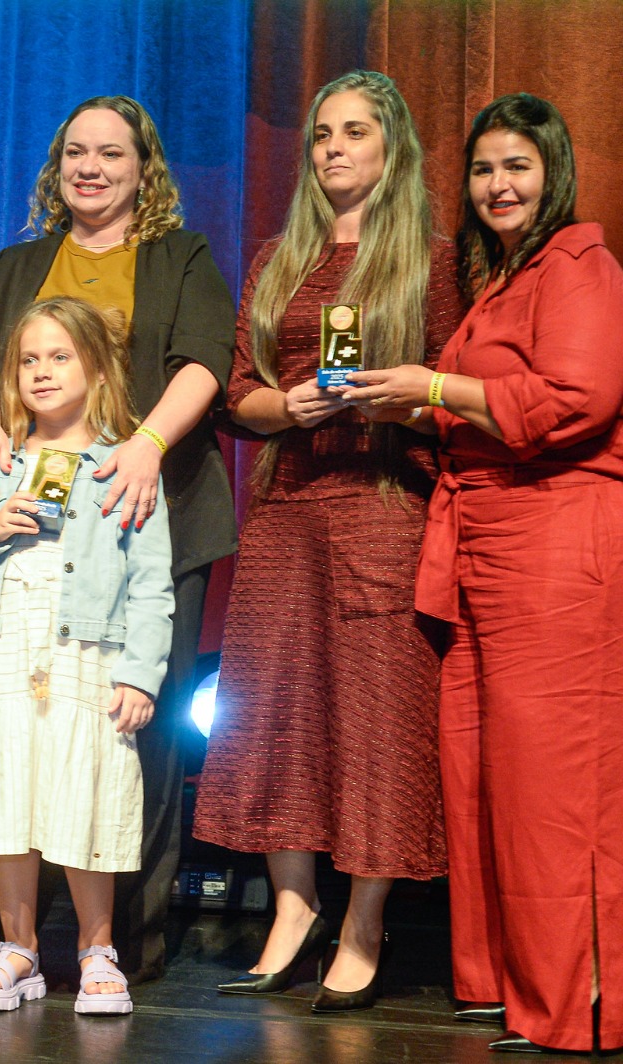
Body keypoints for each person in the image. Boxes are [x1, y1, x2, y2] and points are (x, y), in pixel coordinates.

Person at [343, 93, 623, 1055]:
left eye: (518, 167)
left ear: (555, 174)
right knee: (481, 775)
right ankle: (504, 984)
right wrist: (410, 404)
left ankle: (578, 1006)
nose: (499, 185)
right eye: (483, 169)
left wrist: (432, 385)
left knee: (554, 786)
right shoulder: (502, 279)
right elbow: (487, 400)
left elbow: (579, 397)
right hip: (483, 544)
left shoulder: (580, 265)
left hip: (557, 541)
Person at [0, 95, 236, 985]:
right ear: (56, 164)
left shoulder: (179, 255)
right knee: (15, 738)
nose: (91, 167)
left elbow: (206, 361)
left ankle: (118, 946)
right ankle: (4, 942)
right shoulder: (21, 262)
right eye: (76, 151)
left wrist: (146, 445)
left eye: (112, 153)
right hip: (30, 535)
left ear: (144, 168)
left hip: (147, 510)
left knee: (127, 734)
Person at [190, 70, 464, 1012]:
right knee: (275, 711)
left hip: (384, 501)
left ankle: (364, 922)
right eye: (322, 134)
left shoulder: (432, 260)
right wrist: (287, 407)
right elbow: (239, 389)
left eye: (354, 132)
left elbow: (454, 390)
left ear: (393, 149)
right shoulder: (281, 256)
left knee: (377, 719)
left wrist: (401, 398)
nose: (333, 149)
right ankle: (293, 908)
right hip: (288, 506)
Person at [0, 297, 174, 1014]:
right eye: (28, 360)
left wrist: (140, 673)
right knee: (9, 793)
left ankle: (98, 949)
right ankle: (19, 949)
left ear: (96, 369)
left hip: (85, 653)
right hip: (6, 646)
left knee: (82, 794)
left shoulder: (122, 464)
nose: (42, 371)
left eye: (60, 356)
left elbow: (151, 582)